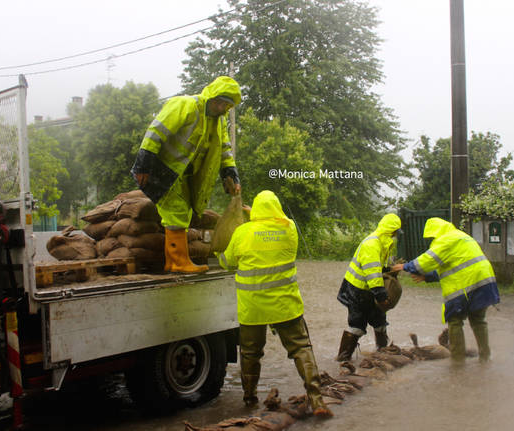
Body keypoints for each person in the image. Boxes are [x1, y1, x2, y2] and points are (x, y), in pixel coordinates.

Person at [217, 190, 333, 418]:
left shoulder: (242, 233)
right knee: (301, 348)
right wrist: (260, 214)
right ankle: (317, 399)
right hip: (285, 305)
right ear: (277, 209)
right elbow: (279, 220)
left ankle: (249, 400)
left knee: (250, 353)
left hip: (253, 308)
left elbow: (226, 262)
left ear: (256, 212)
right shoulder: (289, 229)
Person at [131, 76, 241, 274]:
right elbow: (156, 132)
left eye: (228, 105)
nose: (224, 108)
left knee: (184, 213)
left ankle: (176, 261)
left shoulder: (218, 122)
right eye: (222, 102)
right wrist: (143, 164)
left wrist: (230, 173)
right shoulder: (186, 105)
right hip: (163, 169)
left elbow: (224, 149)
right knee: (176, 211)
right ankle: (177, 261)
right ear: (212, 97)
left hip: (186, 174)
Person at [392, 217, 500, 363]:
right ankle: (485, 358)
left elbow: (425, 262)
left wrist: (405, 266)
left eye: (432, 236)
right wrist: (428, 277)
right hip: (486, 283)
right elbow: (453, 266)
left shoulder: (446, 240)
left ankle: (457, 362)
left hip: (466, 284)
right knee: (479, 320)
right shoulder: (462, 236)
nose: (432, 239)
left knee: (455, 321)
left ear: (436, 232)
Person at [336, 213, 402, 361]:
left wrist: (391, 270)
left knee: (379, 321)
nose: (396, 236)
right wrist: (382, 296)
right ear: (390, 231)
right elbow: (372, 273)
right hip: (357, 290)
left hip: (369, 290)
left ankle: (382, 353)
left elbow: (379, 269)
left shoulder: (384, 244)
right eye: (396, 232)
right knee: (357, 324)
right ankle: (343, 359)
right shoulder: (372, 244)